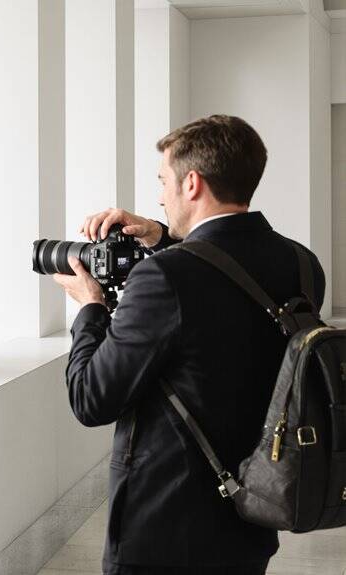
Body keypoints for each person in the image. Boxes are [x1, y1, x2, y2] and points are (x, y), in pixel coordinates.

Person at [53, 115, 325, 574]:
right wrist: (162, 236)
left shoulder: (162, 278)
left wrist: (90, 309)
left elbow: (90, 399)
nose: (160, 195)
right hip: (252, 514)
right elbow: (218, 293)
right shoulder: (301, 264)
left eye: (163, 181)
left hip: (163, 529)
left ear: (192, 183)